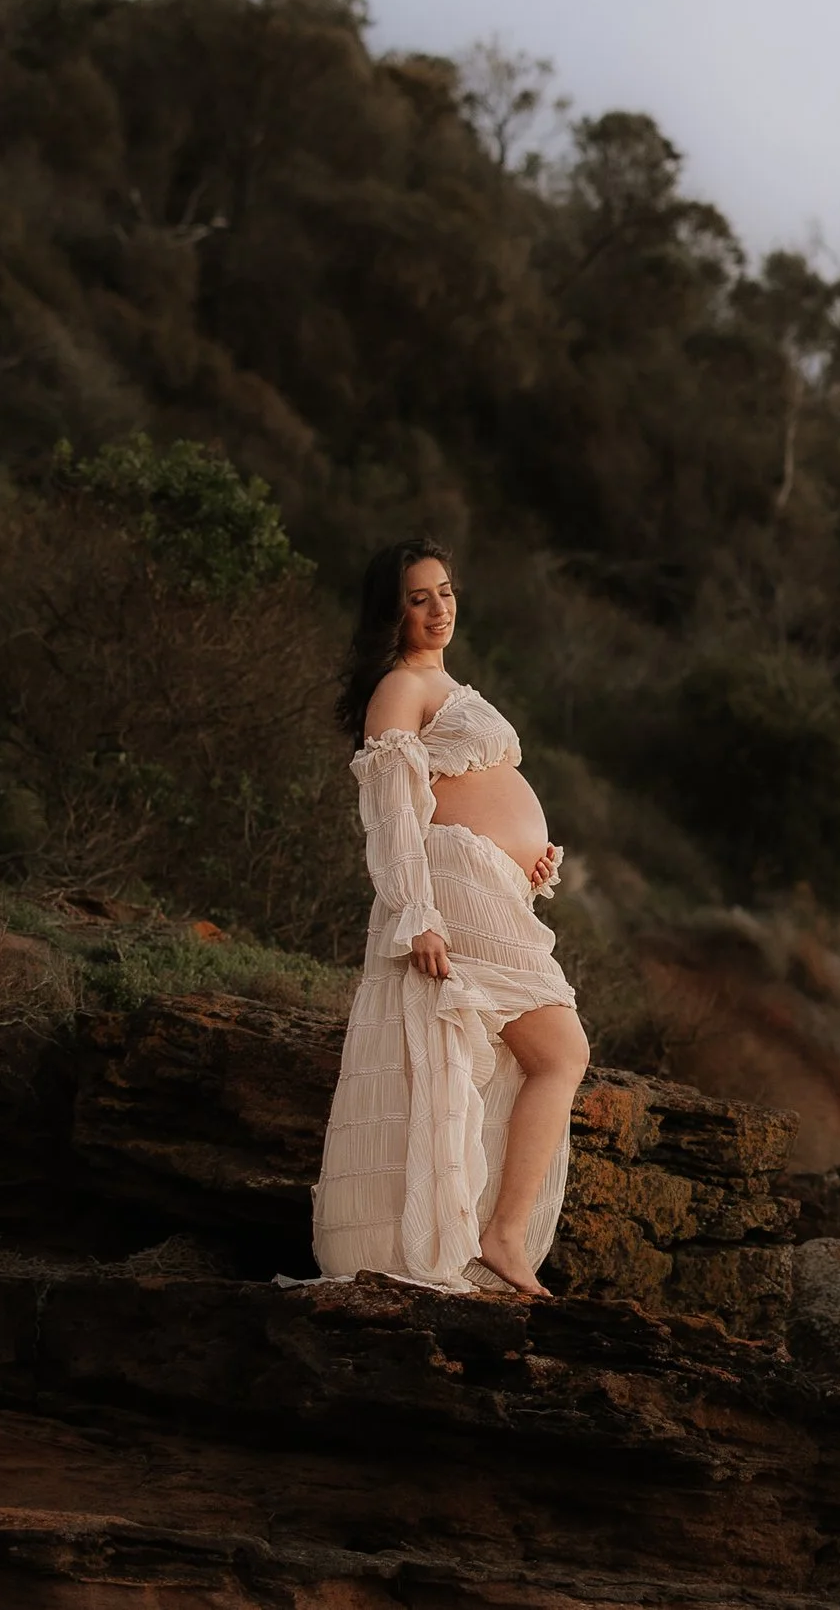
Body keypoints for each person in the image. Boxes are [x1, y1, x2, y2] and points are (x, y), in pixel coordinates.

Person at [309, 539, 590, 1296]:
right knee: (561, 1051)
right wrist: (416, 912)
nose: (439, 608)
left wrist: (526, 862)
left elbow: (473, 789)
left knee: (540, 1055)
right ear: (391, 612)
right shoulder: (399, 686)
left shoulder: (442, 681)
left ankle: (496, 1232)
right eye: (418, 598)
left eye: (445, 591)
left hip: (489, 885)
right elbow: (392, 810)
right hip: (450, 886)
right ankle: (500, 1235)